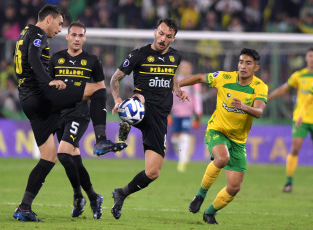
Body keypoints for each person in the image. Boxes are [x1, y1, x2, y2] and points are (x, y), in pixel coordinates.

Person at [12, 5, 125, 222]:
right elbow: (34, 59)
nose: (59, 28)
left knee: (51, 157)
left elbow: (24, 62)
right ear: (48, 19)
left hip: (27, 100)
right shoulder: (37, 34)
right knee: (98, 90)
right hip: (41, 96)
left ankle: (24, 207)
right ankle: (101, 139)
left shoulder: (24, 33)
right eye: (60, 24)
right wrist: (48, 81)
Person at [109, 18, 188, 220]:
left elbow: (172, 75)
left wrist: (178, 90)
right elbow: (115, 78)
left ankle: (121, 193)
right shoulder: (139, 54)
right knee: (136, 103)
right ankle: (123, 130)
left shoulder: (175, 57)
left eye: (168, 36)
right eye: (161, 33)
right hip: (143, 108)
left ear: (173, 38)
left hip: (160, 119)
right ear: (155, 32)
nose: (163, 39)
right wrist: (117, 99)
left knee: (153, 172)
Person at [180, 48, 268, 225]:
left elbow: (258, 111)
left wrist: (244, 107)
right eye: (241, 62)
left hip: (238, 140)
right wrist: (176, 85)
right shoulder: (224, 77)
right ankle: (200, 195)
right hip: (216, 130)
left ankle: (210, 212)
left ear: (256, 68)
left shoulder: (260, 87)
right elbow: (198, 78)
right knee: (221, 158)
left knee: (234, 187)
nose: (243, 66)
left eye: (248, 63)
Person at [48, 21, 106, 219]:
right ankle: (93, 197)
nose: (77, 39)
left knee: (63, 154)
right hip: (59, 114)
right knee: (75, 161)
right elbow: (49, 85)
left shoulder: (92, 60)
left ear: (85, 38)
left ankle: (77, 196)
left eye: (81, 35)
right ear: (67, 37)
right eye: (73, 35)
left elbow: (100, 89)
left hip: (79, 114)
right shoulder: (56, 59)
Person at [268, 48, 313, 193]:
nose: (312, 59)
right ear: (306, 58)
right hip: (301, 118)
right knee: (295, 148)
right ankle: (288, 182)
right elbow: (283, 89)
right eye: (310, 56)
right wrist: (267, 98)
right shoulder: (299, 76)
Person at [170, 60, 203, 172]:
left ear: (190, 69)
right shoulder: (174, 81)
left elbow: (197, 98)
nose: (184, 69)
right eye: (182, 67)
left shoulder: (194, 82)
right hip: (175, 113)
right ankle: (182, 156)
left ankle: (182, 161)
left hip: (187, 113)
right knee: (175, 139)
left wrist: (198, 113)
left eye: (186, 67)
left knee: (184, 136)